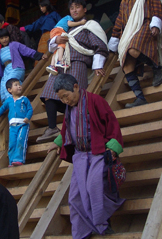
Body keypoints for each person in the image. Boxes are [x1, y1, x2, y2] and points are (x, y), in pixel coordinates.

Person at [47, 74, 125, 239]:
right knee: (75, 196)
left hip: (98, 152)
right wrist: (58, 141)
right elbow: (67, 128)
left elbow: (112, 124)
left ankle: (102, 224)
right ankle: (81, 233)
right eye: (61, 99)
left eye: (66, 96)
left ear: (75, 87)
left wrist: (113, 147)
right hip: (80, 155)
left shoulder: (96, 101)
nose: (65, 101)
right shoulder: (69, 108)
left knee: (93, 187)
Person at [37, 0, 109, 144]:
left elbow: (99, 46)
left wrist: (98, 65)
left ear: (84, 9)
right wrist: (56, 41)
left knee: (74, 96)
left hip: (78, 63)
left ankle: (75, 126)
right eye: (72, 8)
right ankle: (52, 128)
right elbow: (52, 44)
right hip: (60, 64)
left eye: (78, 7)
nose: (75, 10)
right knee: (49, 93)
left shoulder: (90, 25)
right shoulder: (65, 27)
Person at [108, 0, 162, 109]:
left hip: (145, 25)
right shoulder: (124, 1)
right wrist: (114, 39)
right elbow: (119, 21)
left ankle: (157, 68)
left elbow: (157, 7)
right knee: (127, 64)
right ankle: (140, 98)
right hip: (129, 32)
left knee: (134, 50)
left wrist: (156, 24)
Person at [0, 28, 46, 102]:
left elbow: (26, 50)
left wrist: (39, 55)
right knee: (3, 87)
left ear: (9, 37)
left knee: (9, 83)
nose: (4, 39)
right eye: (2, 38)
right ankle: (10, 105)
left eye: (6, 37)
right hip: (6, 71)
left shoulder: (14, 44)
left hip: (16, 67)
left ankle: (13, 102)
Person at [0, 78, 33, 166]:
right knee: (12, 143)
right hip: (12, 126)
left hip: (23, 124)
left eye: (19, 85)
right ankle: (11, 161)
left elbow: (30, 109)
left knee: (20, 140)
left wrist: (27, 117)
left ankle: (19, 159)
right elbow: (2, 109)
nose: (19, 87)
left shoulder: (24, 99)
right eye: (16, 85)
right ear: (9, 90)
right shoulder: (8, 101)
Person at [0, 13, 25, 102]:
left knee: (7, 79)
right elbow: (1, 49)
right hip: (5, 58)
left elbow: (14, 43)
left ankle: (8, 98)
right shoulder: (1, 33)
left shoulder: (9, 28)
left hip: (14, 57)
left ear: (2, 21)